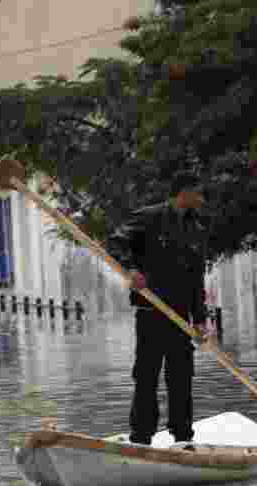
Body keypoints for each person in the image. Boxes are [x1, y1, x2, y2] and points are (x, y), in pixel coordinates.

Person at [109, 172, 212, 448]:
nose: (201, 199)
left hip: (181, 317)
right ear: (184, 193)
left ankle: (183, 437)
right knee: (146, 376)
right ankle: (141, 439)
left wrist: (200, 319)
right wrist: (131, 269)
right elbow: (116, 241)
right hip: (151, 311)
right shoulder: (149, 217)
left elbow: (195, 279)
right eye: (197, 194)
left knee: (181, 379)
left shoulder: (196, 229)